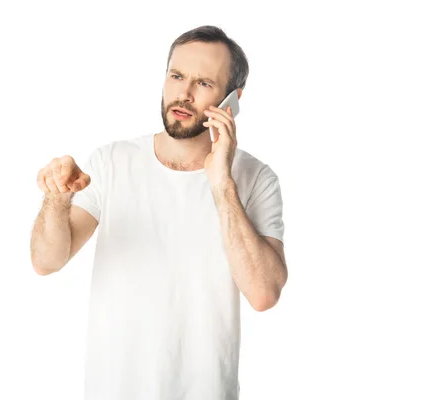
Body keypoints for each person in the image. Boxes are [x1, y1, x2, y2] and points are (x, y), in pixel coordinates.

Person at [31, 25, 288, 400]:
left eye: (203, 83)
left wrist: (220, 183)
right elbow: (46, 261)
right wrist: (56, 197)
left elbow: (264, 294)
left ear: (233, 99)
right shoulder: (112, 162)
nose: (182, 94)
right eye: (177, 76)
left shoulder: (256, 179)